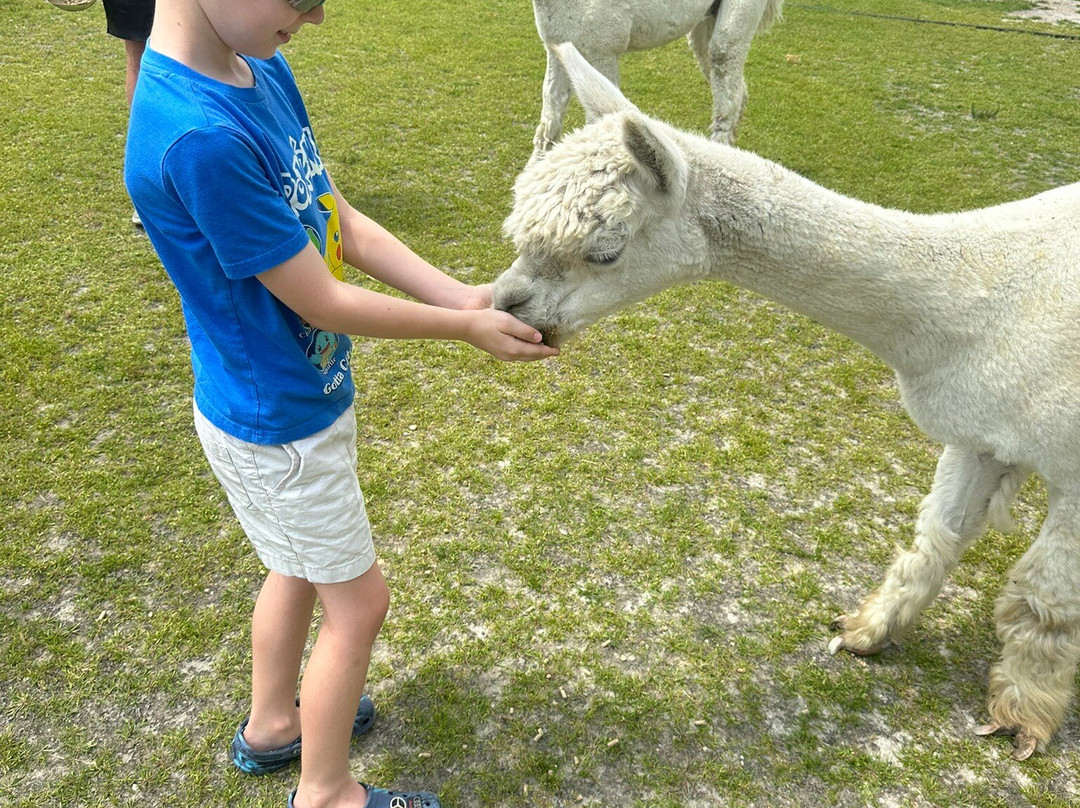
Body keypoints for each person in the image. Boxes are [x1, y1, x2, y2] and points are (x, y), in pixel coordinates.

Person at [123, 2, 560, 808]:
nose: (317, 15)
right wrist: (462, 329)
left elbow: (341, 221)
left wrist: (462, 293)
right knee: (359, 604)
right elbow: (321, 300)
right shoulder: (201, 139)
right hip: (278, 423)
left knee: (292, 566)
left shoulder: (261, 70)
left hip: (278, 408)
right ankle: (327, 793)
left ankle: (271, 726)